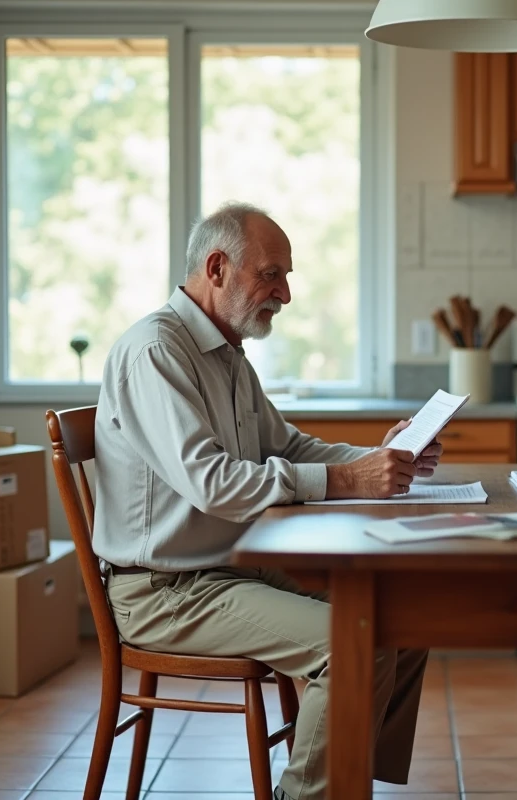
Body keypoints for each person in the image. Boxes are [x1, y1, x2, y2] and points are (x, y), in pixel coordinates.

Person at [91, 201, 441, 800]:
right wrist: (352, 483)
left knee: (402, 610)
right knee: (356, 642)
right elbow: (218, 484)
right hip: (166, 591)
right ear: (219, 266)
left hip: (228, 567)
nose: (284, 294)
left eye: (286, 277)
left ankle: (342, 782)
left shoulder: (226, 354)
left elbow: (288, 446)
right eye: (271, 274)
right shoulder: (155, 352)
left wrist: (374, 459)